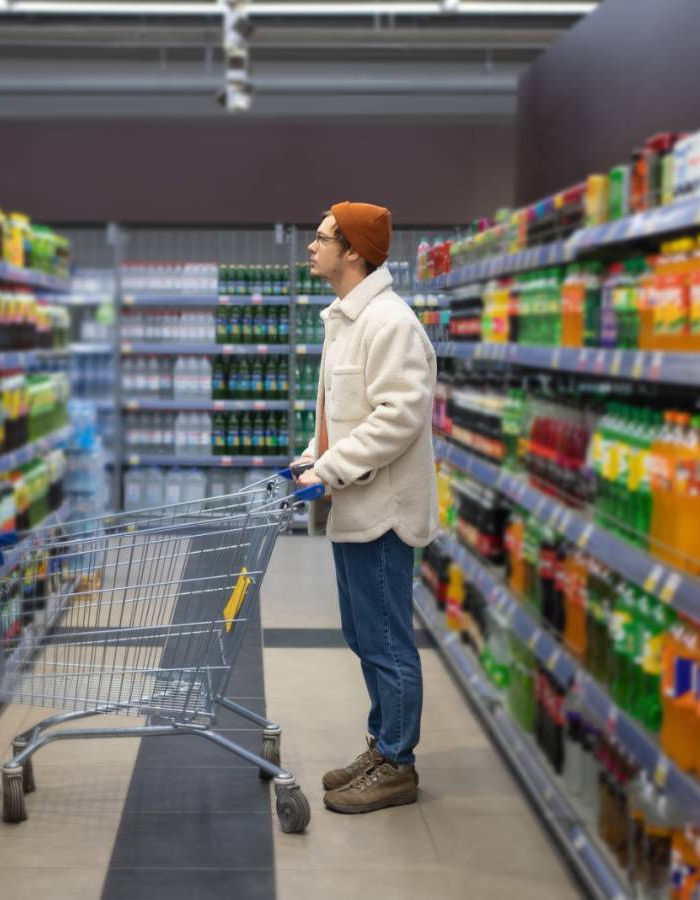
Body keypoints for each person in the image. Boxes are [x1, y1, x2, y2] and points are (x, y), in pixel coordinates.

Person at [294, 201, 440, 814]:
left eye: (322, 237)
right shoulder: (346, 320)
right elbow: (339, 415)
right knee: (362, 634)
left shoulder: (391, 323)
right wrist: (309, 459)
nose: (312, 246)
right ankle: (383, 744)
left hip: (383, 510)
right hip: (354, 505)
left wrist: (330, 468)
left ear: (353, 250)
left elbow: (399, 417)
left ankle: (399, 765)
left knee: (385, 640)